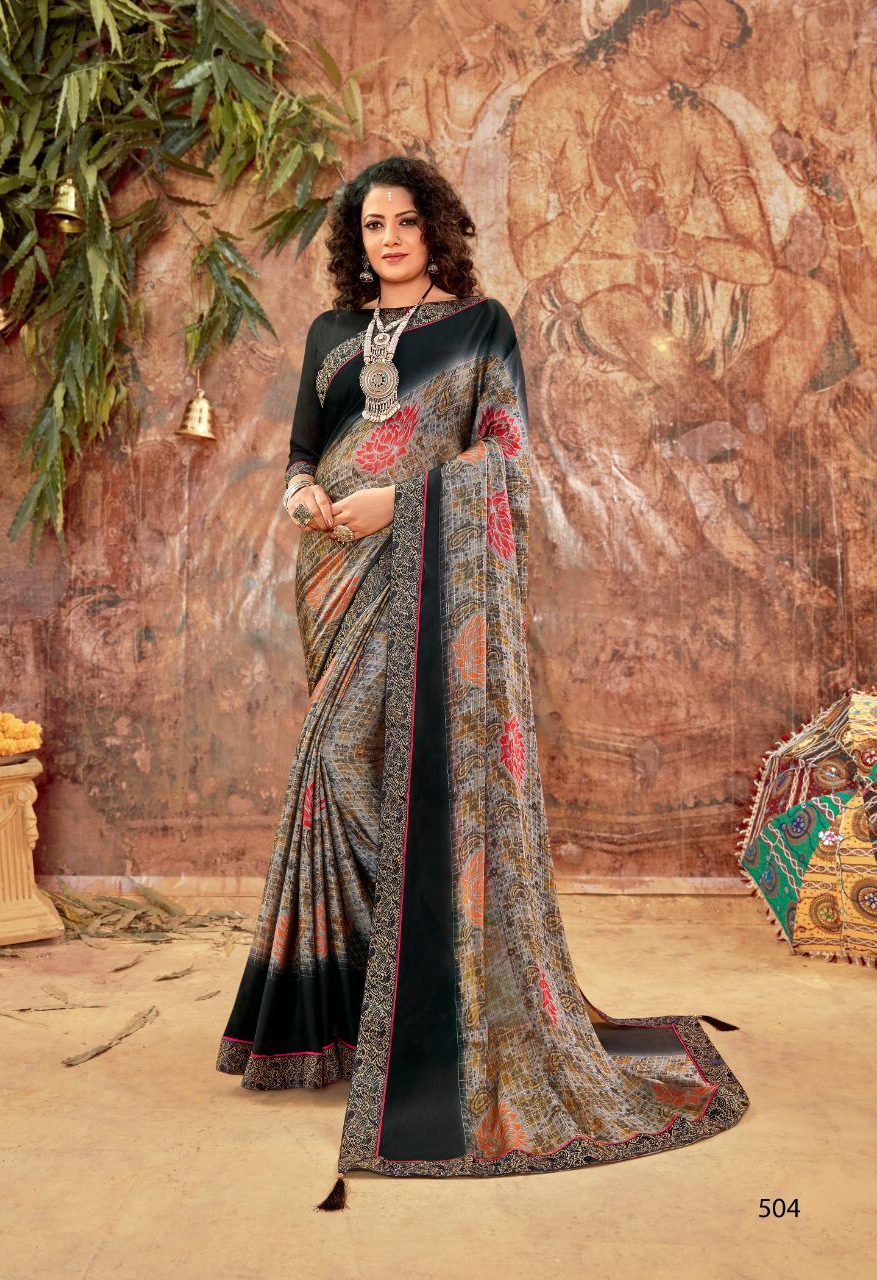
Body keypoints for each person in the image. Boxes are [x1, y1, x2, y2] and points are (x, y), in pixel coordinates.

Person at [215, 155, 748, 1205]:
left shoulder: (479, 326)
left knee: (375, 771)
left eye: (406, 222)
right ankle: (357, 1015)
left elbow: (503, 455)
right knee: (339, 770)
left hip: (415, 570)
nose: (389, 239)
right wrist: (300, 499)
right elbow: (301, 452)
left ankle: (423, 996)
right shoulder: (329, 334)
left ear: (436, 230)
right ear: (357, 240)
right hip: (329, 574)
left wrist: (401, 499)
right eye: (373, 225)